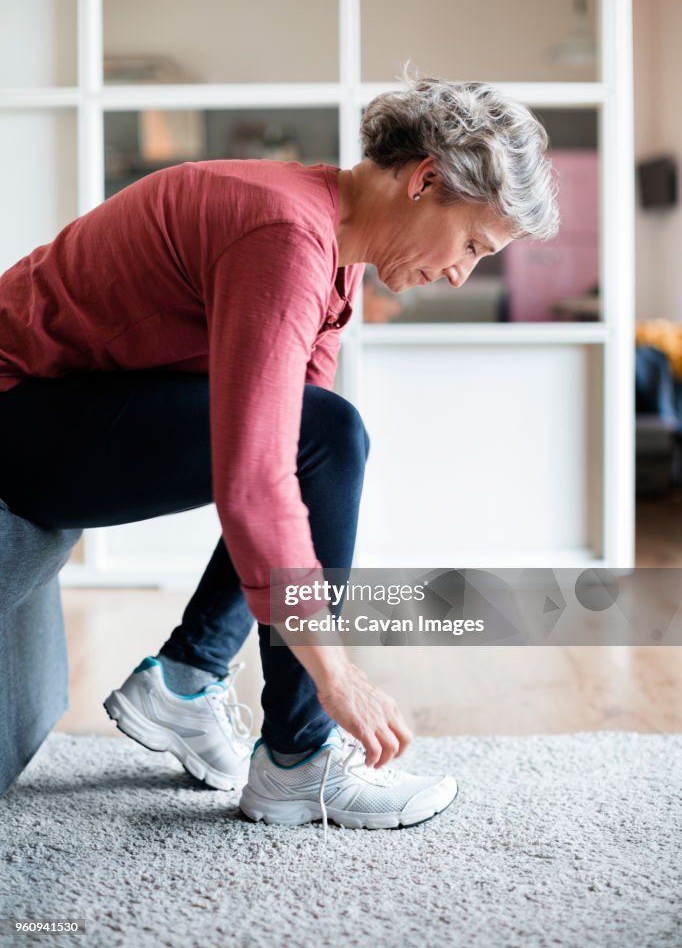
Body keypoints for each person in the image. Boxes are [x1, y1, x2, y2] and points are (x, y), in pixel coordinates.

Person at [0, 70, 558, 831]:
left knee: (322, 436)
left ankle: (189, 678)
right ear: (425, 180)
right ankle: (294, 757)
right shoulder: (285, 234)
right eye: (471, 243)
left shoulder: (331, 249)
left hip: (53, 412)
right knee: (325, 436)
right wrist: (334, 674)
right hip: (16, 414)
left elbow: (291, 459)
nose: (461, 271)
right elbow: (260, 475)